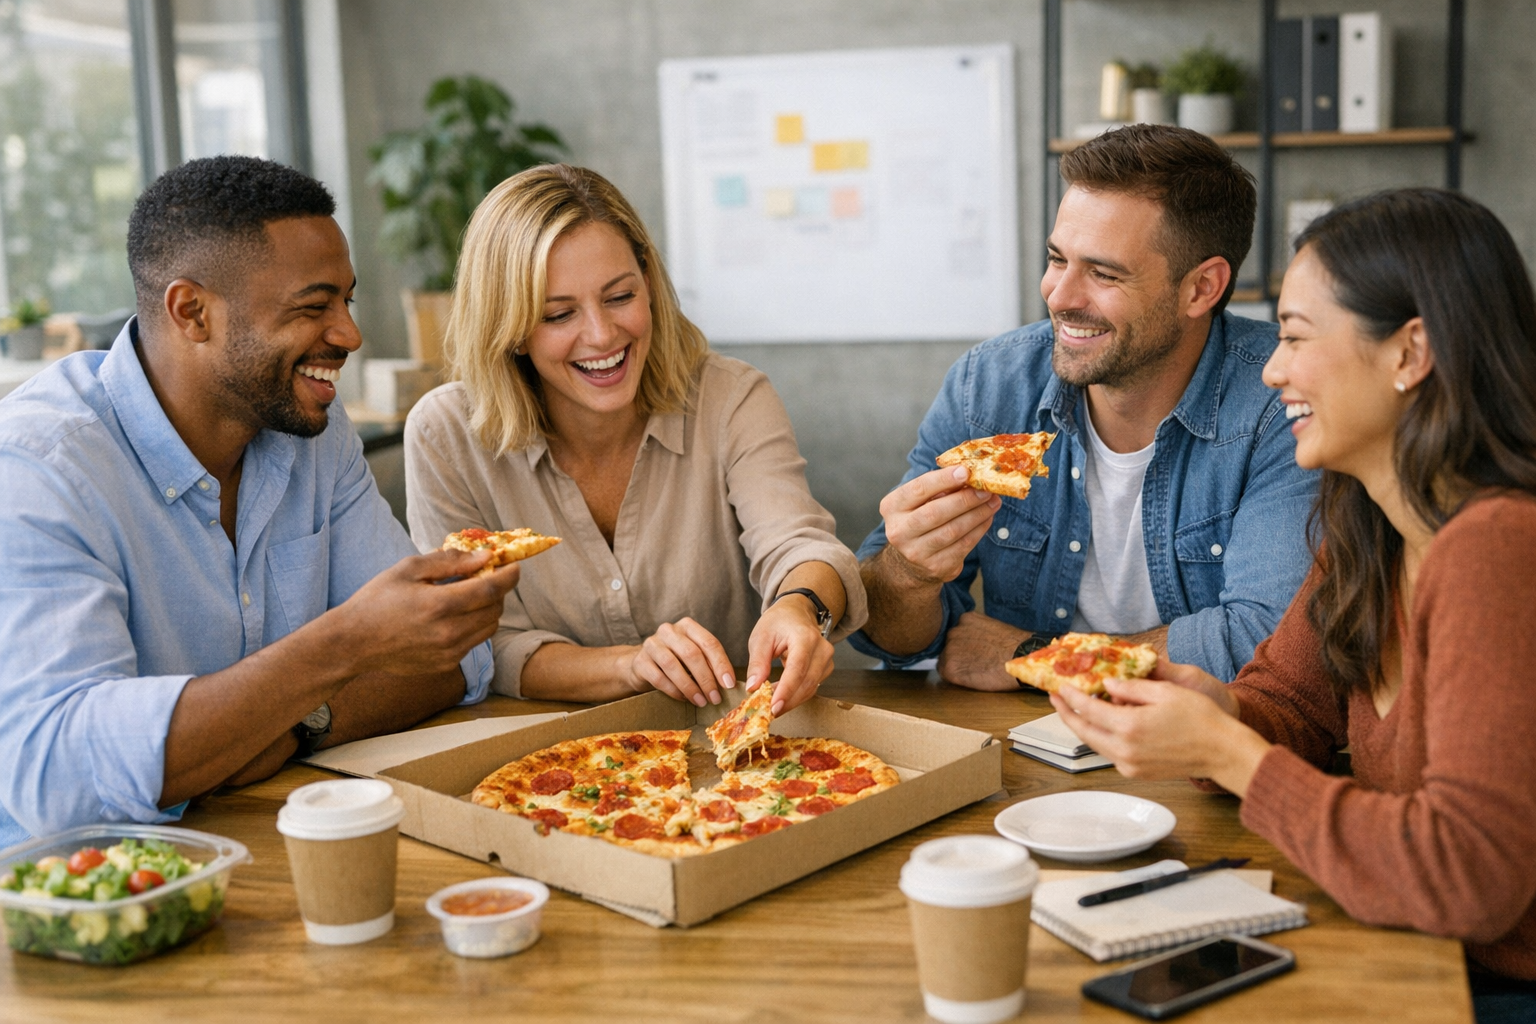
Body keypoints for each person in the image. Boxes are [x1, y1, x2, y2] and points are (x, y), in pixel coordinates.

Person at [1050, 189, 1536, 1021]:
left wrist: (1233, 754)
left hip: (1490, 984)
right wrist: (1221, 711)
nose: (1271, 369)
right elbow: (1290, 708)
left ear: (1410, 352)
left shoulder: (1499, 549)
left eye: (1295, 336)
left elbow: (1470, 882)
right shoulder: (1369, 524)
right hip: (1402, 940)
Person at [0, 156, 517, 848]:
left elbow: (448, 660)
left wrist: (300, 724)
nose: (349, 335)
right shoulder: (40, 467)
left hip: (280, 837)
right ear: (192, 312)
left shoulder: (313, 434)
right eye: (313, 307)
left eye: (347, 301)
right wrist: (343, 646)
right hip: (94, 898)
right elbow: (56, 776)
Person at [852, 124, 1317, 685]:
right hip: (1021, 745)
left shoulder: (1286, 397)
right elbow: (894, 639)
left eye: (1102, 273)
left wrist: (1032, 657)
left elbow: (1270, 640)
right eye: (1056, 259)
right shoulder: (989, 385)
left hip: (1200, 751)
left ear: (1201, 288)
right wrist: (907, 572)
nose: (1060, 296)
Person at [405, 164, 865, 714]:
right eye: (558, 314)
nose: (601, 335)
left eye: (620, 296)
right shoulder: (444, 434)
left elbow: (801, 547)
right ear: (510, 328)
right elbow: (481, 645)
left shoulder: (732, 398)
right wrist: (630, 665)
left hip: (742, 756)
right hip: (551, 756)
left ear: (648, 283)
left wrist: (798, 606)